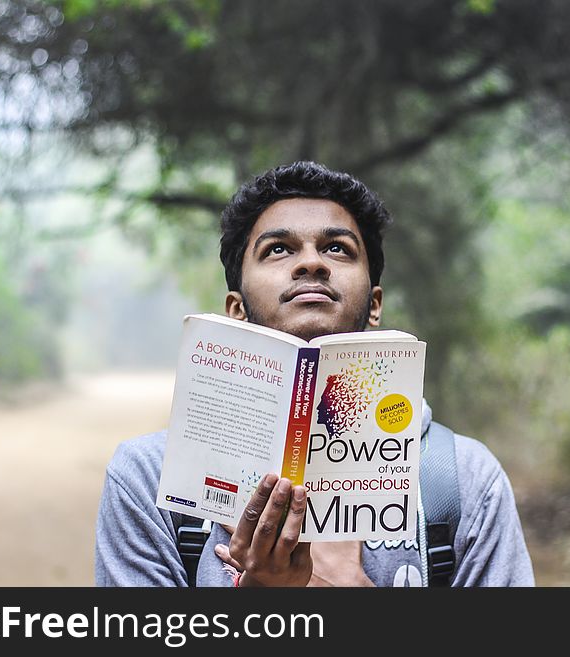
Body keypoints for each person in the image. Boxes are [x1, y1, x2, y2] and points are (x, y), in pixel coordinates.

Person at [95, 161, 535, 587]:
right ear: (237, 311)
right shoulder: (150, 481)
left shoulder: (465, 480)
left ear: (375, 303)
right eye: (278, 249)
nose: (311, 263)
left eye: (337, 248)